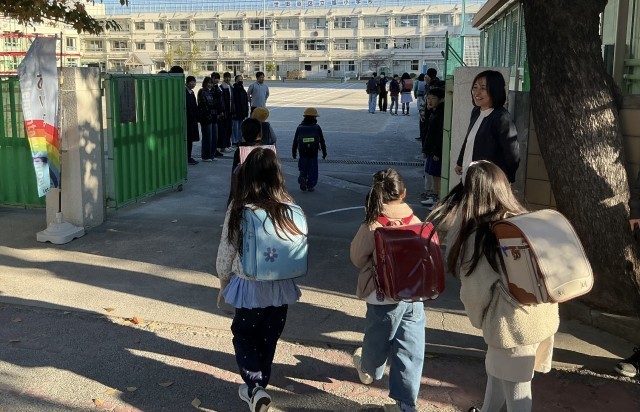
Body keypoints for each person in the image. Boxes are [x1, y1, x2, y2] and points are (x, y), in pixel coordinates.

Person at [428, 160, 559, 412]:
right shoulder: (522, 219)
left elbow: (475, 292)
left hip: (511, 326)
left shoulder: (480, 234)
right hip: (542, 314)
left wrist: (481, 320)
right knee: (498, 373)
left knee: (518, 391)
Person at [216, 147, 303, 412]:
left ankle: (255, 387)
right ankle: (260, 386)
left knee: (244, 335)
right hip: (281, 287)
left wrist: (223, 281)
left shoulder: (239, 207)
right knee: (269, 337)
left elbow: (227, 249)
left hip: (249, 287)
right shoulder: (289, 205)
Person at [350, 168, 425, 412]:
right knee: (411, 349)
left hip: (382, 296)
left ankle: (368, 368)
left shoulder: (373, 225)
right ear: (404, 194)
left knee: (376, 342)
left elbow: (357, 258)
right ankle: (405, 404)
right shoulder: (416, 222)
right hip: (414, 296)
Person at [455, 70, 520, 183]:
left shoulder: (501, 118)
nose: (477, 93)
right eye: (475, 87)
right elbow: (469, 140)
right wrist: (460, 162)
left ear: (495, 90)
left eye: (483, 88)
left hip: (488, 183)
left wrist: (504, 181)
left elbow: (512, 155)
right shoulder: (476, 111)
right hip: (470, 177)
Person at [227, 118, 264, 206]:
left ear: (243, 134)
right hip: (262, 196)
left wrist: (232, 201)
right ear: (259, 134)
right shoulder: (266, 151)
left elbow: (235, 176)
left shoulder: (240, 151)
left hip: (243, 195)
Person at [421, 88, 445, 209]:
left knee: (436, 176)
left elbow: (439, 134)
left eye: (433, 98)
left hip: (436, 151)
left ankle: (438, 201)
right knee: (432, 174)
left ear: (441, 100)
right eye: (428, 98)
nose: (429, 101)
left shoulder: (441, 114)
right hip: (431, 150)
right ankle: (434, 197)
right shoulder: (433, 112)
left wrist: (437, 151)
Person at [292, 107, 327, 192]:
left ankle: (302, 178)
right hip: (313, 152)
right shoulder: (317, 127)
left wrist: (294, 153)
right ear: (314, 117)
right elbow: (322, 141)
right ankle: (310, 185)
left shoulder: (300, 127)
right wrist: (324, 152)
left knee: (303, 167)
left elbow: (295, 141)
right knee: (313, 169)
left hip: (302, 152)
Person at [197, 77, 218, 162]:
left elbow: (217, 103)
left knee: (214, 137)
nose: (210, 85)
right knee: (207, 137)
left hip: (214, 117)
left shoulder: (212, 92)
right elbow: (202, 104)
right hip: (206, 117)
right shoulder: (202, 91)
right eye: (208, 83)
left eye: (211, 83)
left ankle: (212, 155)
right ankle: (206, 156)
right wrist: (208, 114)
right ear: (204, 83)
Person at [211, 72, 226, 158]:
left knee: (218, 133)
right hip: (215, 113)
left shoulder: (218, 88)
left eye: (218, 78)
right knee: (214, 133)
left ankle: (216, 149)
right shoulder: (211, 88)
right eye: (215, 78)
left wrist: (222, 111)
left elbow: (221, 101)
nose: (217, 80)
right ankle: (213, 150)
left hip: (220, 112)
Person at [231, 74, 249, 147]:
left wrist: (246, 112)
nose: (240, 81)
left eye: (241, 79)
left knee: (241, 127)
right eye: (239, 79)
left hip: (242, 112)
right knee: (235, 127)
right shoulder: (233, 89)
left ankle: (240, 140)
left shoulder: (243, 90)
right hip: (235, 111)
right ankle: (234, 141)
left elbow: (245, 102)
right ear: (235, 80)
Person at [185, 75, 199, 165]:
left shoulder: (192, 92)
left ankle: (189, 156)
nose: (193, 84)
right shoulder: (184, 92)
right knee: (187, 139)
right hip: (187, 120)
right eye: (192, 82)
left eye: (194, 82)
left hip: (192, 119)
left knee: (190, 139)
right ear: (187, 82)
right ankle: (187, 157)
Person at [218, 71, 234, 152]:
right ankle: (223, 146)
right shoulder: (221, 88)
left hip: (230, 111)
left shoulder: (231, 87)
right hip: (225, 112)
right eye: (226, 77)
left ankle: (228, 144)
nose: (228, 79)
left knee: (229, 129)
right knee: (224, 129)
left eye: (229, 77)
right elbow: (222, 101)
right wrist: (222, 111)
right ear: (223, 78)